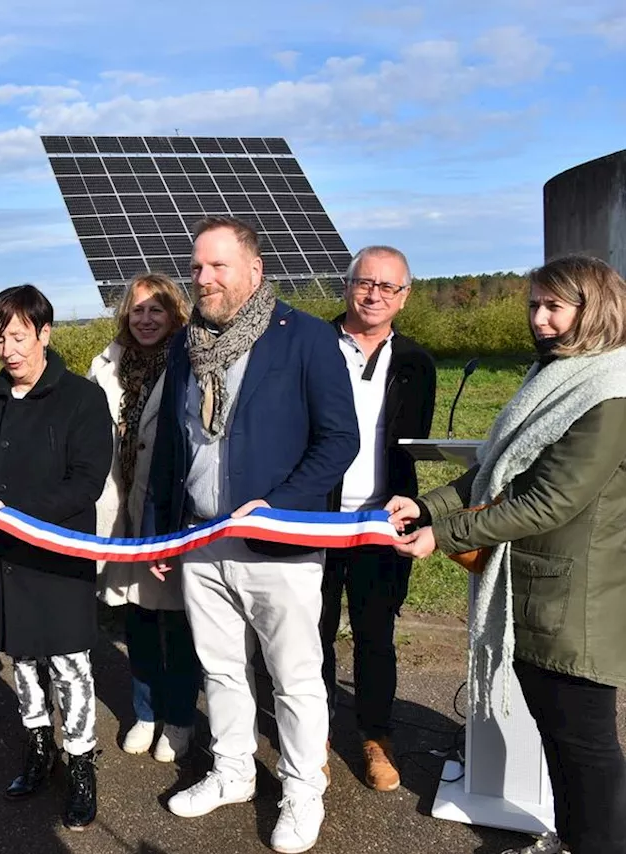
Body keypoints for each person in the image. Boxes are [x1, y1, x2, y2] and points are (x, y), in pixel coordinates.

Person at [390, 255, 627, 854]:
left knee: (585, 747)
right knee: (563, 737)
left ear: (593, 309)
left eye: (554, 306)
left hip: (576, 598)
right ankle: (575, 839)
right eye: (533, 305)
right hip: (540, 586)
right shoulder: (556, 375)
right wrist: (427, 506)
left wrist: (442, 535)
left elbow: (548, 501)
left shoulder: (609, 392)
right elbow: (495, 472)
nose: (539, 319)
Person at [145, 216, 359, 853]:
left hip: (281, 543)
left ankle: (301, 791)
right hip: (201, 541)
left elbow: (338, 440)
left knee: (294, 676)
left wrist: (276, 507)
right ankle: (233, 770)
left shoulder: (307, 339)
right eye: (197, 268)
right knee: (221, 669)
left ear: (254, 270)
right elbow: (171, 452)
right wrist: (162, 535)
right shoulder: (187, 346)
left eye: (217, 267)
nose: (203, 279)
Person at [0, 284, 113, 832]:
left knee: (69, 662)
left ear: (45, 333)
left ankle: (81, 762)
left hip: (57, 557)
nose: (8, 350)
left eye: (18, 336)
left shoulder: (82, 400)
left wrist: (12, 510)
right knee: (22, 660)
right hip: (3, 558)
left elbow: (86, 483)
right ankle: (38, 748)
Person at [318, 246, 435, 793]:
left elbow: (408, 448)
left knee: (375, 636)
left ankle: (375, 736)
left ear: (405, 297)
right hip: (315, 518)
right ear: (348, 286)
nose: (375, 295)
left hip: (382, 523)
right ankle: (312, 732)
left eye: (389, 287)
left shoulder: (417, 363)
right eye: (366, 283)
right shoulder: (311, 345)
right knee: (309, 633)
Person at [87, 273, 199, 763]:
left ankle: (178, 719)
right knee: (137, 621)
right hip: (123, 513)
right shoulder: (107, 367)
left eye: (157, 310)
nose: (146, 319)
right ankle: (145, 712)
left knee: (177, 624)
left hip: (171, 511)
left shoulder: (192, 362)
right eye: (137, 310)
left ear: (176, 313)